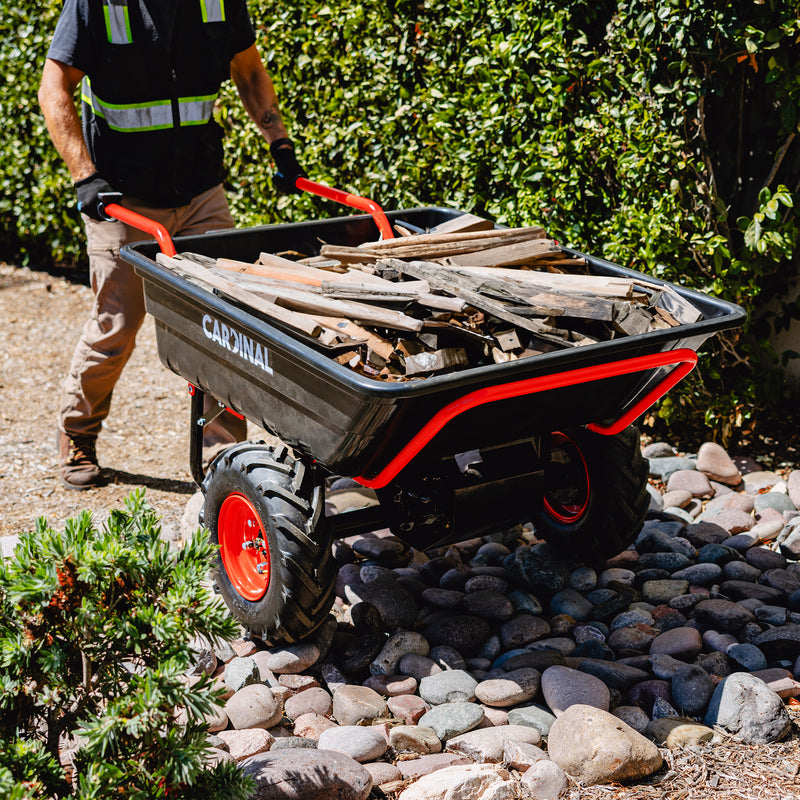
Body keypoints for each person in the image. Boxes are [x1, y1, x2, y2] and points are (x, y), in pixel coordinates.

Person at [38, 0, 305, 489]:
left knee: (224, 320)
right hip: (122, 196)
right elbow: (54, 85)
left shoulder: (218, 2)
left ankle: (224, 453)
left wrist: (279, 142)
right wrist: (85, 176)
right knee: (116, 323)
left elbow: (248, 71)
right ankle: (76, 431)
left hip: (200, 190)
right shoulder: (97, 5)